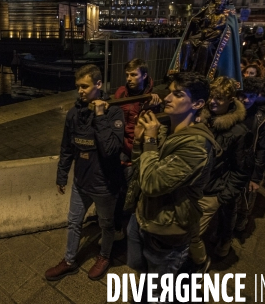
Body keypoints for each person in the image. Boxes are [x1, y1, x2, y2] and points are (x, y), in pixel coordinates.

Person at [126, 72, 218, 301]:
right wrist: (140, 142)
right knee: (139, 269)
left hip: (167, 231)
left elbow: (151, 183)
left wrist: (149, 140)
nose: (167, 98)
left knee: (158, 292)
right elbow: (141, 171)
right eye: (169, 92)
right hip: (144, 218)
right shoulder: (166, 129)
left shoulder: (196, 146)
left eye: (177, 95)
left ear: (197, 104)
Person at [45, 64, 125, 281]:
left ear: (98, 85)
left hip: (105, 185)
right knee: (73, 222)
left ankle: (104, 256)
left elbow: (110, 150)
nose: (80, 91)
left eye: (84, 86)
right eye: (78, 86)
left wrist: (100, 116)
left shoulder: (114, 112)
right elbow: (67, 147)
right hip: (81, 183)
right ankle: (69, 261)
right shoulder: (73, 114)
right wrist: (62, 175)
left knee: (106, 224)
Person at [190, 76, 251, 261]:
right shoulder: (202, 118)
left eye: (219, 98)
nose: (213, 102)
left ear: (231, 100)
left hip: (214, 190)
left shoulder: (239, 132)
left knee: (193, 235)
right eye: (212, 97)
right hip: (197, 187)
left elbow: (242, 169)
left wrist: (222, 196)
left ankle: (223, 242)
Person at [170, 0, 242, 86]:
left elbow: (228, 28)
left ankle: (201, 77)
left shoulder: (229, 8)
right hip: (204, 35)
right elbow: (200, 23)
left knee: (205, 46)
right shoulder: (207, 7)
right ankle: (183, 72)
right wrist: (195, 22)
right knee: (187, 43)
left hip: (216, 40)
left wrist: (216, 29)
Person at [112, 58, 162, 240]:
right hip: (124, 148)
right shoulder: (121, 93)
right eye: (127, 74)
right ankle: (117, 226)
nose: (129, 78)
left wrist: (150, 107)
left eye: (134, 74)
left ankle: (129, 227)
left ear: (144, 75)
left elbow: (153, 127)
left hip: (139, 150)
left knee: (133, 189)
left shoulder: (152, 97)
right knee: (120, 189)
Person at [235, 77, 265, 231]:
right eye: (243, 95)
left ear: (257, 97)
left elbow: (263, 149)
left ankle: (242, 221)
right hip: (233, 164)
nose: (246, 100)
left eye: (251, 96)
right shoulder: (233, 112)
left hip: (248, 167)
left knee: (247, 198)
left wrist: (256, 177)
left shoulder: (262, 119)